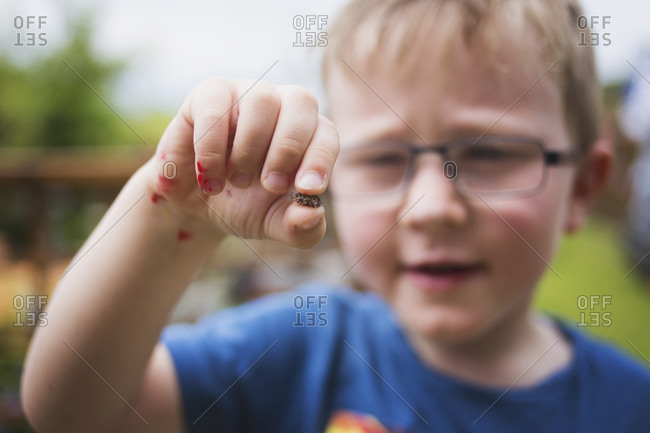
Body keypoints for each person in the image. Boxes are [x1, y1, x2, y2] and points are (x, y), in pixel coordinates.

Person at [21, 0, 650, 432]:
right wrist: (167, 222)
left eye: (487, 154)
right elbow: (73, 411)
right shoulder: (294, 351)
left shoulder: (630, 406)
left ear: (584, 187)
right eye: (384, 159)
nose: (431, 207)